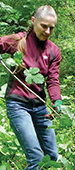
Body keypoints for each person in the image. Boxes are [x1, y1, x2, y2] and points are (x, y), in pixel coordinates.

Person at [0, 5, 62, 170]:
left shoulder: (54, 51)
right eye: (44, 26)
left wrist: (57, 100)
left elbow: (53, 80)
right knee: (36, 157)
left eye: (51, 28)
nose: (47, 31)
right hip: (18, 104)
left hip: (41, 107)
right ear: (33, 21)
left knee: (52, 156)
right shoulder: (19, 41)